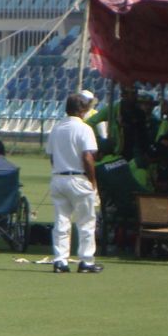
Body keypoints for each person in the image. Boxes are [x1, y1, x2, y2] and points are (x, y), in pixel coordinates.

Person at [45, 92, 103, 273]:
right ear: (82, 110)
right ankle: (86, 261)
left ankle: (60, 260)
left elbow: (52, 157)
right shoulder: (84, 129)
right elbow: (87, 157)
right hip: (78, 178)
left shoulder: (56, 128)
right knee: (86, 222)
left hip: (58, 177)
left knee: (61, 221)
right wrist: (92, 181)